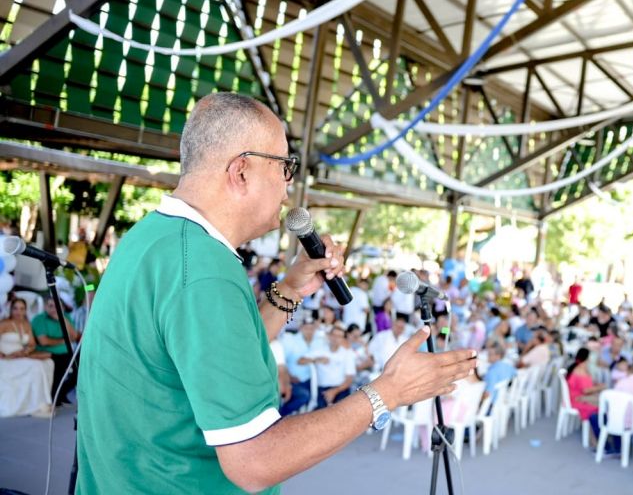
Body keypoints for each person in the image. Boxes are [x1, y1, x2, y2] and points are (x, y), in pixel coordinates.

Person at [76, 93, 477, 494]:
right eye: (285, 166)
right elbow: (254, 461)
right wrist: (388, 391)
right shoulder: (202, 272)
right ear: (241, 171)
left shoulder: (155, 236)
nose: (289, 187)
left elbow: (213, 359)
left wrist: (291, 288)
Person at [0, 298, 55, 417]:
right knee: (36, 365)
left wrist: (25, 351)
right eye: (15, 308)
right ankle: (37, 405)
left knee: (49, 362)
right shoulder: (4, 324)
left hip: (22, 356)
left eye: (22, 309)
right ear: (11, 309)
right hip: (5, 359)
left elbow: (32, 344)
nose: (18, 312)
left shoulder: (26, 324)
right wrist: (5, 355)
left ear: (25, 310)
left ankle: (43, 402)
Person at [32, 297, 80, 406]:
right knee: (60, 368)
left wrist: (63, 319)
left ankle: (60, 395)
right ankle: (55, 398)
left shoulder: (66, 317)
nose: (54, 309)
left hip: (67, 352)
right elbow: (44, 341)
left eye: (57, 306)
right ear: (45, 307)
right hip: (48, 353)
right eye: (51, 306)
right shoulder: (39, 319)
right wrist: (65, 340)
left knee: (79, 370)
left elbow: (74, 336)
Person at [566, 348, 605, 445]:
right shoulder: (580, 371)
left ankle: (600, 435)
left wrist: (597, 385)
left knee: (601, 401)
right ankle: (596, 438)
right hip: (577, 399)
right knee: (600, 405)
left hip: (581, 396)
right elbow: (586, 390)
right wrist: (600, 387)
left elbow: (588, 385)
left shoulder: (582, 368)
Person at [315, 326, 356, 409]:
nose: (335, 338)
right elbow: (301, 360)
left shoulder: (347, 354)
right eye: (333, 335)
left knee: (340, 412)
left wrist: (334, 391)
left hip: (340, 389)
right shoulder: (320, 350)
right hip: (323, 389)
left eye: (339, 336)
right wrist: (316, 360)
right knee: (322, 415)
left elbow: (349, 380)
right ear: (329, 336)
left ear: (343, 339)